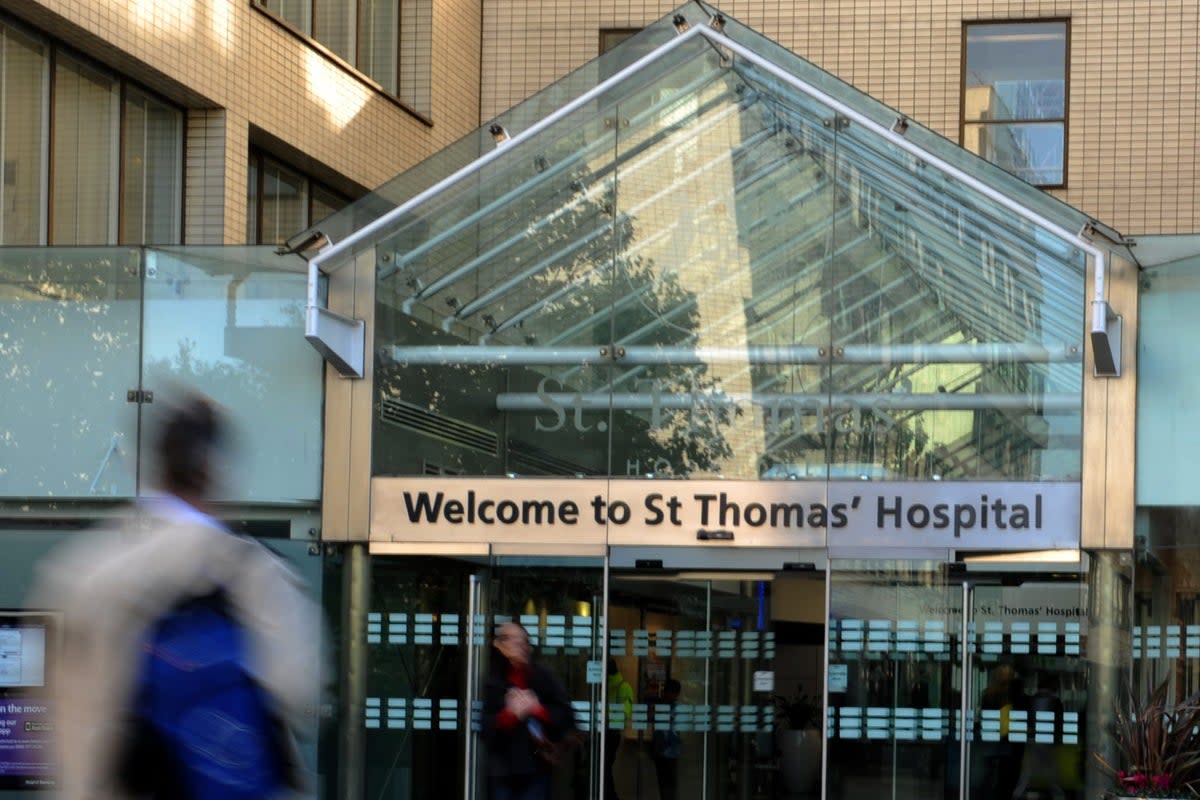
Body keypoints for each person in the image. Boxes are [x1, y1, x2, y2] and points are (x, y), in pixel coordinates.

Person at [28, 391, 324, 800]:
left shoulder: (83, 574)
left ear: (154, 463)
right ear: (210, 467)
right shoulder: (254, 573)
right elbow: (299, 694)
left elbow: (65, 730)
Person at [482, 622, 576, 800]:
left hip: (536, 772)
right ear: (499, 645)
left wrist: (537, 709)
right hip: (502, 774)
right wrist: (510, 714)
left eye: (523, 641)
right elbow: (485, 729)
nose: (520, 646)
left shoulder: (543, 676)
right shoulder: (493, 680)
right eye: (511, 640)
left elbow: (567, 717)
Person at [605, 658, 635, 800]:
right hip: (610, 732)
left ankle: (611, 796)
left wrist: (607, 719)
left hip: (610, 733)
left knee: (605, 768)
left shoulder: (620, 686)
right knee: (605, 768)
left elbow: (625, 712)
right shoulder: (615, 685)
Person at [651, 679, 681, 800]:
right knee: (665, 785)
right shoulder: (665, 708)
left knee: (667, 785)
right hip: (663, 751)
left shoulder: (673, 710)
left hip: (668, 752)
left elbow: (671, 733)